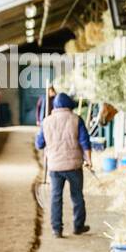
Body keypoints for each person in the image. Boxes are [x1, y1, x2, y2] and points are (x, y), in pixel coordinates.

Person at [35, 92, 92, 238]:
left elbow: (39, 144)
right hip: (74, 166)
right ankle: (78, 227)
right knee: (77, 196)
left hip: (55, 166)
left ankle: (56, 229)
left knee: (55, 197)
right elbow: (85, 142)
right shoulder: (76, 119)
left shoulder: (46, 122)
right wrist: (89, 160)